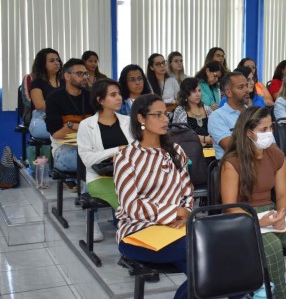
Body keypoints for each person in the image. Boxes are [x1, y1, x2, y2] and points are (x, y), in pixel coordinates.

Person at [114, 93, 193, 299]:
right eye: (157, 115)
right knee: (205, 255)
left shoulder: (175, 151)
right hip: (138, 232)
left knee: (212, 263)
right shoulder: (126, 157)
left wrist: (186, 212)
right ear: (141, 118)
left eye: (165, 114)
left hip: (177, 229)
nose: (165, 119)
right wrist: (173, 212)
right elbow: (131, 206)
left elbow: (187, 191)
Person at [220, 106, 286, 298]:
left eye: (271, 128)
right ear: (249, 133)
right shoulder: (232, 162)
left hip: (270, 213)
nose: (269, 133)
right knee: (272, 247)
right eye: (263, 130)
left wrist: (282, 213)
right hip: (242, 217)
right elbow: (230, 207)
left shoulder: (276, 155)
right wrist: (258, 221)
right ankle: (279, 295)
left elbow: (282, 194)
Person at [77, 79, 133, 241]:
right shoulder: (86, 125)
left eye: (119, 94)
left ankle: (132, 227)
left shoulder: (127, 121)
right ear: (100, 100)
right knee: (128, 201)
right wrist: (116, 150)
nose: (119, 98)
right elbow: (87, 159)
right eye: (113, 95)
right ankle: (130, 233)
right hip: (100, 178)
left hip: (127, 176)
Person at [45, 58, 94, 172]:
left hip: (90, 146)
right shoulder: (54, 98)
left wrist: (70, 126)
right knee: (85, 160)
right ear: (67, 76)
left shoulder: (91, 97)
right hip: (65, 149)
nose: (84, 77)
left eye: (85, 74)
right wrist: (84, 127)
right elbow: (57, 133)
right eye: (79, 74)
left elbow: (99, 127)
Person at [208, 72, 249, 159]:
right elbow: (233, 148)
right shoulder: (217, 117)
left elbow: (272, 144)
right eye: (241, 87)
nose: (246, 90)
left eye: (246, 86)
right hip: (231, 167)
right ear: (229, 92)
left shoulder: (253, 113)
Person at [29, 48, 64, 139]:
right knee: (67, 133)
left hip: (63, 119)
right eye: (51, 61)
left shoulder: (65, 82)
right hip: (41, 121)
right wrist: (64, 105)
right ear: (43, 64)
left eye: (58, 60)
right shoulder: (37, 83)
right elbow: (40, 105)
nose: (57, 63)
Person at [172, 77, 214, 146]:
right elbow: (181, 134)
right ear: (185, 93)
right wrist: (204, 139)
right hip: (189, 149)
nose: (198, 94)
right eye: (194, 91)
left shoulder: (207, 109)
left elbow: (215, 129)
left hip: (210, 148)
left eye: (199, 90)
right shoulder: (180, 110)